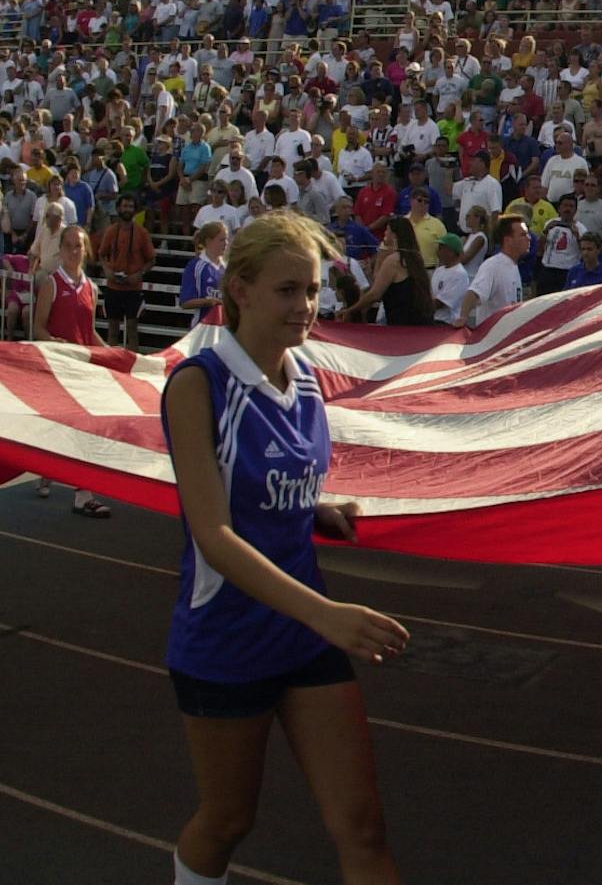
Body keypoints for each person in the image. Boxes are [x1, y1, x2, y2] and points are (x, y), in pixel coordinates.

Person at [158, 212, 409, 885]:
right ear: (239, 290)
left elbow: (272, 487)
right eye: (288, 290)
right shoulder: (197, 385)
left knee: (362, 825)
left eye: (313, 290)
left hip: (302, 639)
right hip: (227, 639)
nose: (305, 306)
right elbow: (213, 535)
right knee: (228, 820)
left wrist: (316, 509)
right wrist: (326, 615)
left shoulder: (303, 380)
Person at [29, 224, 114, 519]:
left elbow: (89, 333)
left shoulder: (90, 287)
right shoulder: (52, 283)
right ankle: (47, 468)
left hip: (81, 371)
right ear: (60, 249)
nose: (74, 252)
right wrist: (54, 343)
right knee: (57, 426)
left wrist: (112, 355)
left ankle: (82, 493)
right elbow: (38, 327)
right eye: (68, 246)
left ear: (85, 250)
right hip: (57, 366)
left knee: (82, 429)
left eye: (79, 246)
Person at [94, 196, 156, 349]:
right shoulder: (111, 230)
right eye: (124, 206)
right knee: (112, 330)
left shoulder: (142, 232)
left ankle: (133, 364)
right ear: (118, 208)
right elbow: (101, 254)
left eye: (130, 206)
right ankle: (111, 364)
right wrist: (107, 269)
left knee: (132, 329)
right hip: (113, 286)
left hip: (133, 288)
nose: (127, 209)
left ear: (135, 210)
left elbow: (152, 260)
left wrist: (139, 274)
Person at [461, 213, 528, 328]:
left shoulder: (513, 265)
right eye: (523, 235)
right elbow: (473, 293)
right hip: (492, 339)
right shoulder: (493, 266)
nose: (529, 238)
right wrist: (462, 317)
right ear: (508, 240)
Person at [179, 222, 229, 319]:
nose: (226, 243)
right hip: (203, 327)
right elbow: (185, 303)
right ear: (208, 241)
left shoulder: (225, 267)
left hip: (223, 326)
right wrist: (209, 301)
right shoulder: (196, 266)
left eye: (226, 239)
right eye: (222, 240)